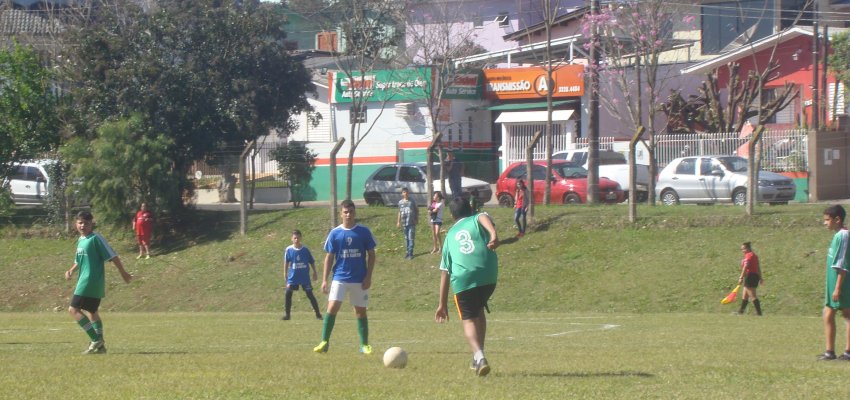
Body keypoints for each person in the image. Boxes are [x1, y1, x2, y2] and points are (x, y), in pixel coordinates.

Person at [435, 197, 499, 377]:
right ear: (470, 208)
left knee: (469, 319)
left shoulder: (449, 237)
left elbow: (445, 273)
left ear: (451, 214)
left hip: (464, 279)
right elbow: (483, 217)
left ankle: (479, 355)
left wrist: (442, 304)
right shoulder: (476, 218)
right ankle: (478, 355)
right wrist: (493, 234)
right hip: (488, 275)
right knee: (479, 310)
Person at [314, 200, 377, 355]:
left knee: (360, 311)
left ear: (355, 213)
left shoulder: (363, 232)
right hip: (340, 277)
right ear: (341, 213)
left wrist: (368, 277)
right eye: (345, 212)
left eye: (351, 212)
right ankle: (324, 342)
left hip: (359, 279)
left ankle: (364, 345)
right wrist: (324, 280)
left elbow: (372, 255)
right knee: (332, 308)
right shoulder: (335, 233)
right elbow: (329, 257)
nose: (348, 215)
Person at [64, 211, 132, 354]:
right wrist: (71, 270)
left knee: (73, 310)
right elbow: (79, 260)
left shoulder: (96, 238)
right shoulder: (81, 240)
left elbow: (112, 255)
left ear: (92, 224)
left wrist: (123, 273)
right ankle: (100, 347)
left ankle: (95, 340)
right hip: (90, 280)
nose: (83, 226)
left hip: (89, 280)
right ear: (76, 223)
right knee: (92, 311)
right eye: (80, 222)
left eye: (86, 223)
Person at [818, 205, 850, 361]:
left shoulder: (843, 236)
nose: (825, 223)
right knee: (828, 314)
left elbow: (843, 265)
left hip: (842, 284)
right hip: (833, 283)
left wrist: (837, 287)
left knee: (847, 315)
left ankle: (848, 352)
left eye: (827, 220)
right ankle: (829, 352)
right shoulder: (837, 235)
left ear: (837, 220)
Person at [282, 230, 323, 321]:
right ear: (292, 239)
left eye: (298, 238)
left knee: (310, 294)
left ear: (301, 238)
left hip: (304, 277)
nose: (296, 240)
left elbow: (311, 261)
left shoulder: (305, 250)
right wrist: (285, 273)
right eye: (294, 238)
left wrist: (315, 272)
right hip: (293, 277)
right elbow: (286, 262)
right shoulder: (289, 249)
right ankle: (287, 315)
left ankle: (318, 314)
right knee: (288, 293)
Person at [736, 241, 763, 316]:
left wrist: (741, 277)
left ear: (748, 248)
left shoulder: (748, 255)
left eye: (743, 249)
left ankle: (759, 313)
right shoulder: (754, 255)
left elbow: (745, 267)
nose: (742, 251)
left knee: (752, 296)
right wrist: (760, 278)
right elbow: (758, 267)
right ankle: (740, 312)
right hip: (754, 276)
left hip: (750, 276)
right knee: (745, 295)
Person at [397, 188, 418, 259]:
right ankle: (407, 252)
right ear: (402, 194)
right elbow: (399, 212)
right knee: (406, 238)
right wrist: (398, 222)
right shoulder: (400, 202)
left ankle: (410, 253)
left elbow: (416, 210)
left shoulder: (412, 201)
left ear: (408, 193)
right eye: (404, 192)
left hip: (411, 222)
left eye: (406, 192)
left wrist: (416, 219)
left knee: (411, 238)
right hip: (404, 223)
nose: (405, 193)